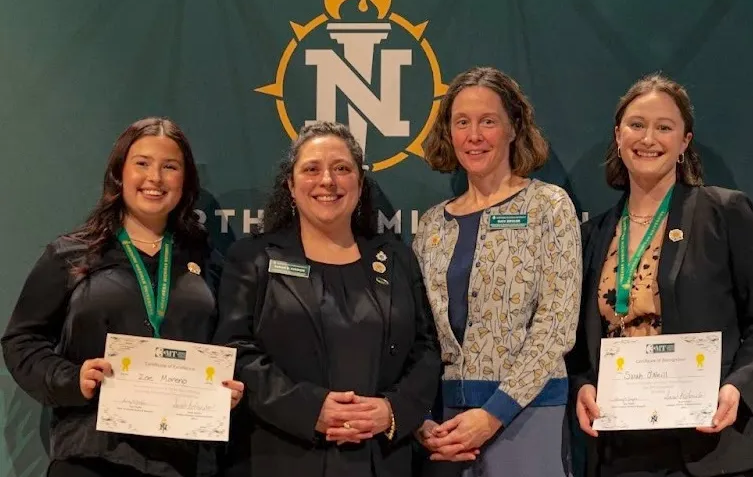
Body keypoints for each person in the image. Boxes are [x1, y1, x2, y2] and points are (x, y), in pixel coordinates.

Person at [567, 73, 753, 476]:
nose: (648, 138)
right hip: (619, 447)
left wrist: (737, 388)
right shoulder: (593, 235)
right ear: (618, 136)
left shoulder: (723, 213)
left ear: (684, 143)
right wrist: (583, 384)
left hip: (706, 443)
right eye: (636, 125)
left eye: (664, 127)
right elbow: (582, 347)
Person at [1, 117, 244, 477]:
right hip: (92, 455)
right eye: (142, 164)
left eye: (170, 167)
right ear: (120, 173)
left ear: (185, 181)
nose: (155, 178)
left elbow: (232, 345)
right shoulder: (72, 254)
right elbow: (22, 340)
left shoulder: (207, 260)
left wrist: (230, 389)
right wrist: (72, 379)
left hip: (182, 461)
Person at [212, 121, 441, 477]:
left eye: (342, 168)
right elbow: (235, 351)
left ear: (360, 183)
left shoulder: (396, 259)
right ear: (290, 184)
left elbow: (426, 350)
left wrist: (393, 411)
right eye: (311, 169)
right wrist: (309, 409)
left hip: (381, 459)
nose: (327, 181)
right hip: (278, 456)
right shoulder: (253, 257)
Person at [411, 66, 582, 476]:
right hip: (446, 426)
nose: (474, 135)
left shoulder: (548, 207)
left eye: (488, 121)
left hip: (526, 414)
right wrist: (421, 419)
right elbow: (415, 333)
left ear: (513, 128)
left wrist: (493, 413)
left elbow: (556, 326)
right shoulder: (432, 224)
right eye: (462, 122)